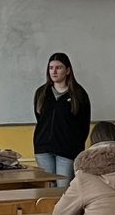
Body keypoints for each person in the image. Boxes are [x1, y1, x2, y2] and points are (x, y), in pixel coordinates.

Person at [32, 51, 91, 181]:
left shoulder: (78, 94)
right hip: (43, 149)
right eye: (51, 68)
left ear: (67, 70)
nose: (54, 71)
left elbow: (84, 125)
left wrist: (75, 145)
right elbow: (40, 118)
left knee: (62, 188)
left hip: (67, 151)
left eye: (58, 68)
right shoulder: (42, 93)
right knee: (48, 187)